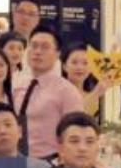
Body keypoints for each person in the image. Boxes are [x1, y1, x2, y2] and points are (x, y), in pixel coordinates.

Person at [14, 29, 85, 159]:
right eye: (34, 46)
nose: (37, 52)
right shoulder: (19, 86)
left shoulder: (67, 91)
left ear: (57, 54)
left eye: (45, 47)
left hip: (50, 161)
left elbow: (76, 133)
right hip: (16, 160)